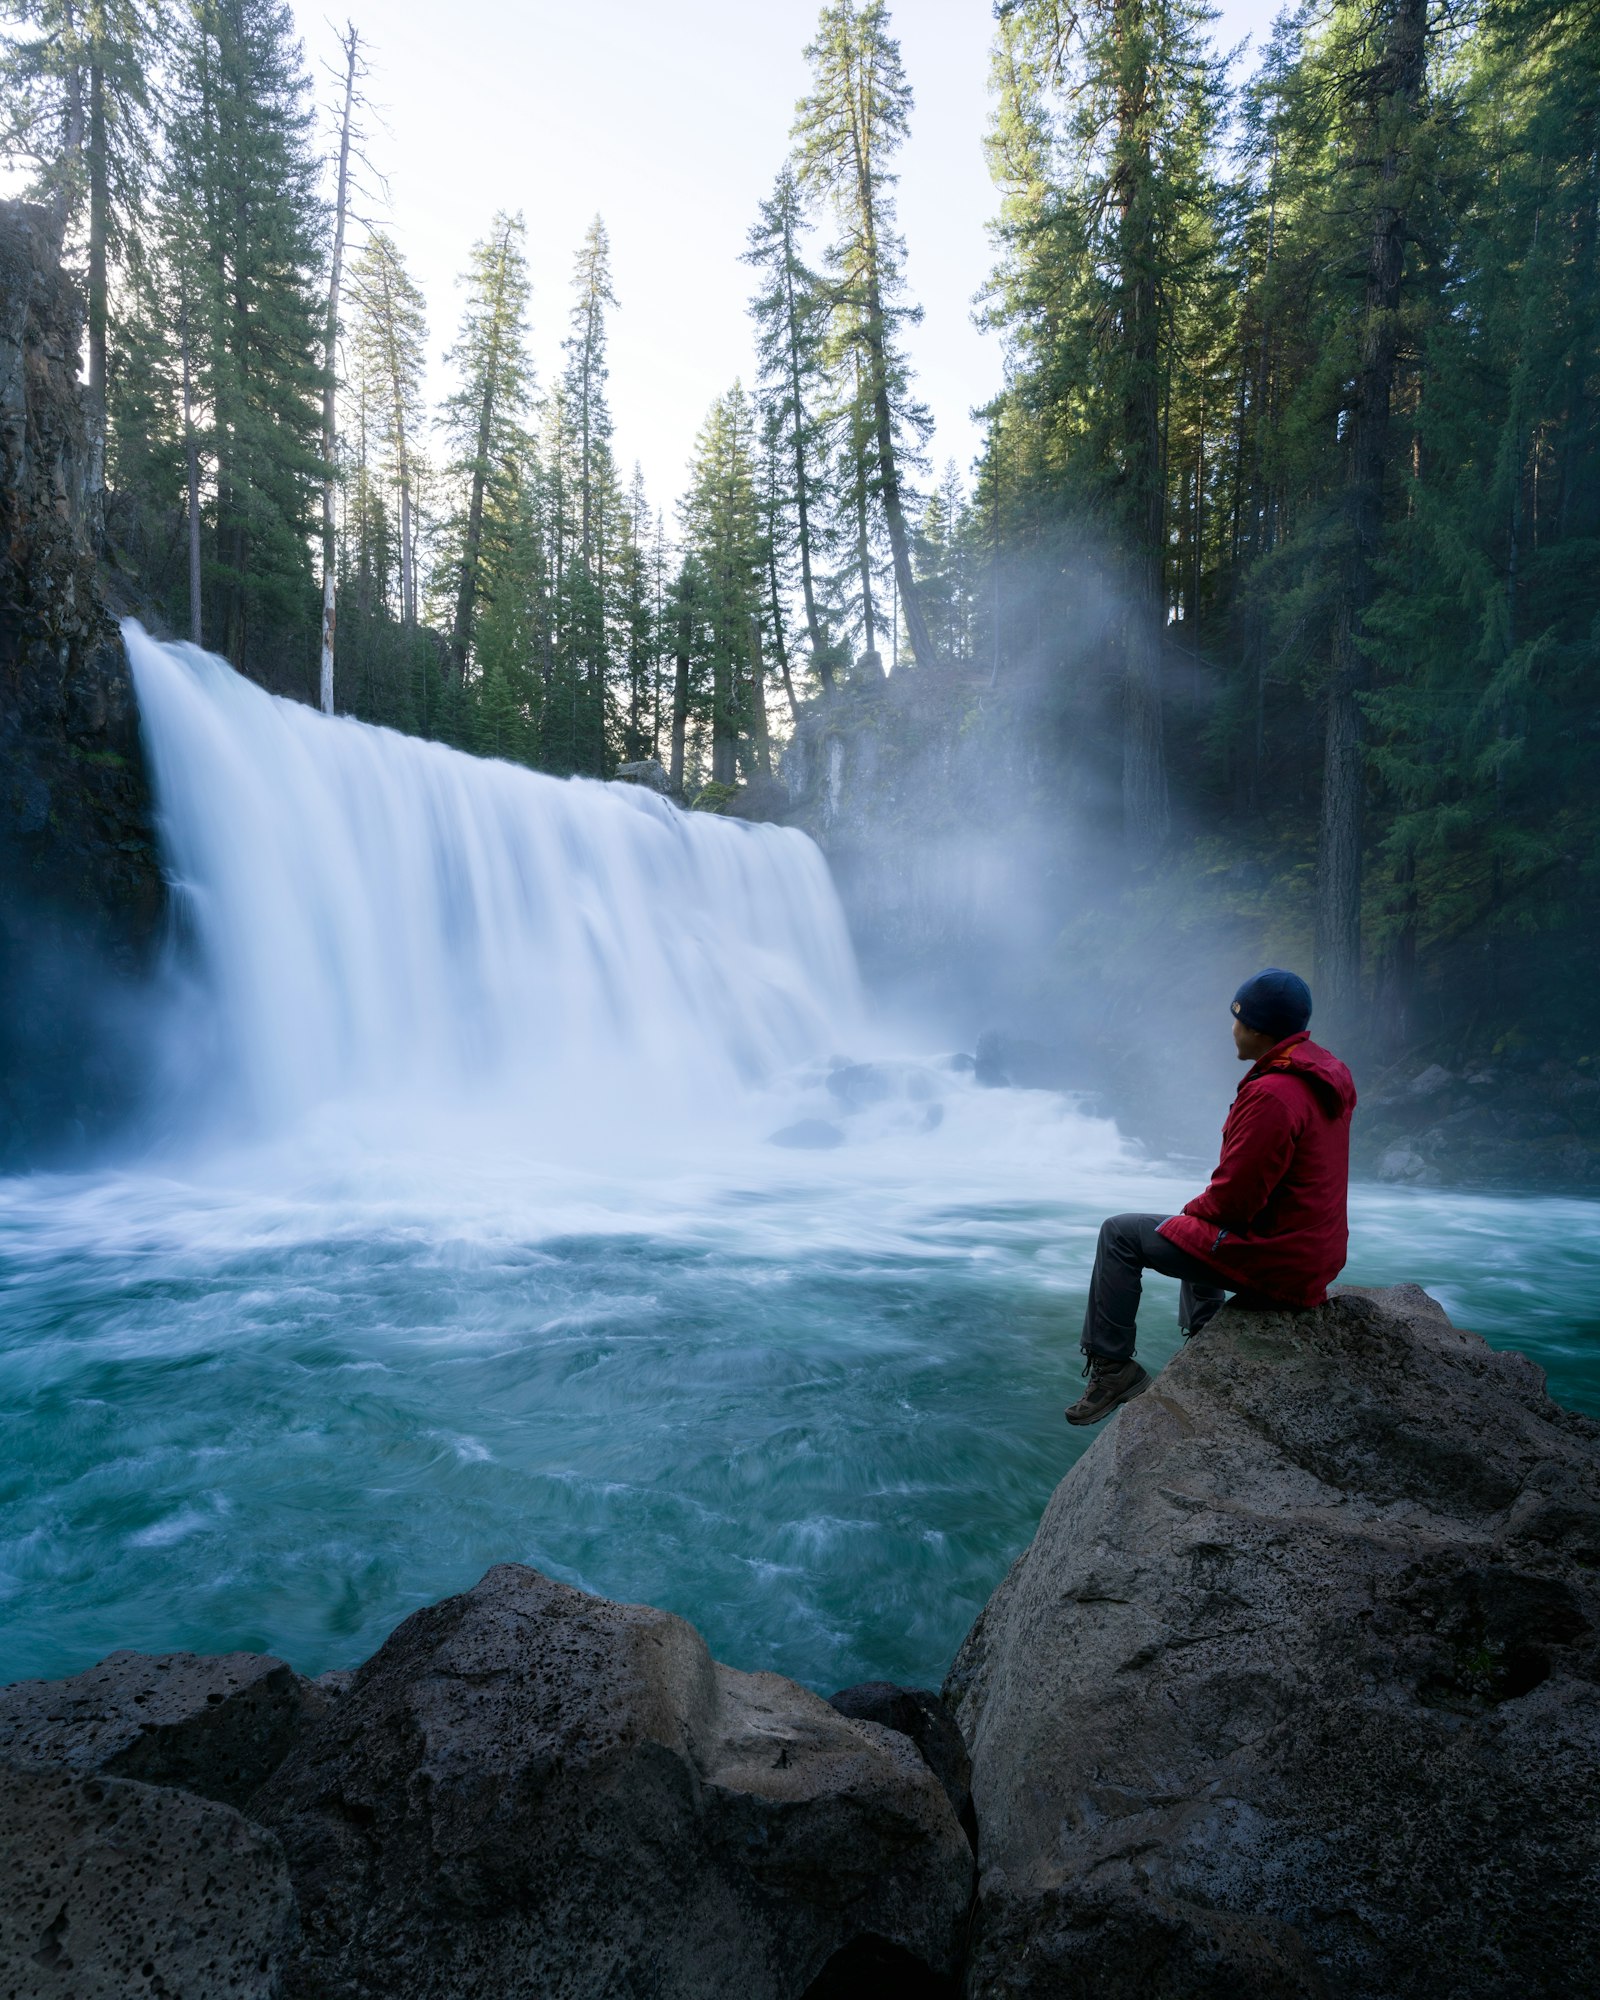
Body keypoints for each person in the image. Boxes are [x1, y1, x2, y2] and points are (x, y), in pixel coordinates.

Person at [1065, 968, 1357, 1427]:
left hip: (1281, 1261)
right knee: (1191, 1226)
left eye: (1237, 1018)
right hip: (1313, 1251)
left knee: (1121, 1233)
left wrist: (1189, 1214)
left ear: (1258, 1029)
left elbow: (1231, 1207)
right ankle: (1205, 1335)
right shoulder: (1319, 1075)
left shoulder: (1273, 1096)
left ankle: (1114, 1368)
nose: (1233, 1028)